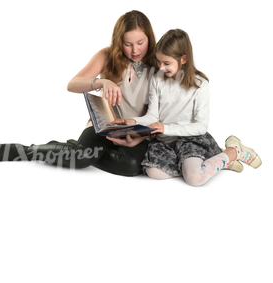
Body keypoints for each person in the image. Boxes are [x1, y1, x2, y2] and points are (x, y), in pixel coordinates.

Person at [0, 10, 158, 176]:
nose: (135, 50)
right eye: (128, 44)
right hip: (105, 127)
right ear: (119, 42)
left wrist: (138, 139)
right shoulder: (107, 55)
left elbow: (162, 112)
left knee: (132, 166)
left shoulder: (159, 64)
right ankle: (29, 151)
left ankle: (76, 150)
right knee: (82, 159)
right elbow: (72, 84)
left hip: (136, 134)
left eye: (140, 43)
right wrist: (101, 81)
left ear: (149, 38)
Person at [111, 29, 262, 186]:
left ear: (183, 59)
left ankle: (233, 151)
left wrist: (166, 128)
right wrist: (132, 121)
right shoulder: (157, 80)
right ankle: (214, 163)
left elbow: (201, 126)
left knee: (194, 179)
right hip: (165, 141)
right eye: (158, 62)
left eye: (166, 63)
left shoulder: (200, 85)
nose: (161, 67)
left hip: (190, 140)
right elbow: (152, 117)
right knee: (153, 172)